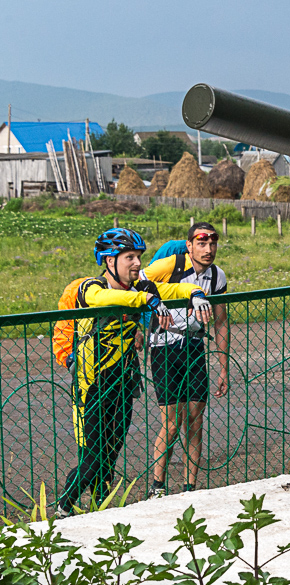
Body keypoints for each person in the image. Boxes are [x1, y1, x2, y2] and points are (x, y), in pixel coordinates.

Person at [57, 228, 211, 518]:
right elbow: (104, 299)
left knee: (110, 458)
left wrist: (196, 294)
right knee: (92, 458)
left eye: (139, 257)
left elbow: (174, 289)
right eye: (129, 257)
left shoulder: (140, 289)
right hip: (92, 385)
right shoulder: (91, 286)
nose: (137, 263)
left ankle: (99, 512)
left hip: (125, 382)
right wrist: (147, 300)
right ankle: (63, 508)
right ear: (109, 260)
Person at [141, 222, 228, 497]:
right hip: (165, 346)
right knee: (172, 421)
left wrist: (223, 368)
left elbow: (222, 323)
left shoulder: (217, 277)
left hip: (194, 347)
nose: (208, 249)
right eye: (201, 243)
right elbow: (138, 281)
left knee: (194, 419)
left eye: (212, 243)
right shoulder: (172, 264)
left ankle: (190, 487)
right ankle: (158, 486)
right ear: (189, 245)